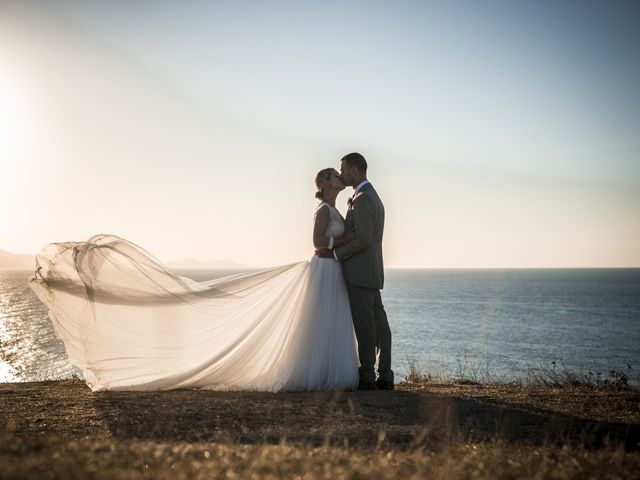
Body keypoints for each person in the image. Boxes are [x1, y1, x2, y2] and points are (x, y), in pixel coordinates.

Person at [29, 168, 361, 392]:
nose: (339, 175)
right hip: (323, 267)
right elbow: (318, 242)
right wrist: (346, 241)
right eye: (334, 174)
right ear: (326, 183)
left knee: (326, 322)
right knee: (318, 321)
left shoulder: (337, 209)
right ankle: (317, 373)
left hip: (332, 270)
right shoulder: (322, 211)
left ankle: (329, 371)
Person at [317, 153, 394, 390]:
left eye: (343, 169)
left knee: (366, 328)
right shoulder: (368, 195)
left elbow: (363, 240)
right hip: (371, 271)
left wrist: (336, 254)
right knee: (380, 325)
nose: (341, 174)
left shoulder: (362, 199)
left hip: (361, 273)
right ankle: (385, 375)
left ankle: (368, 377)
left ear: (354, 171)